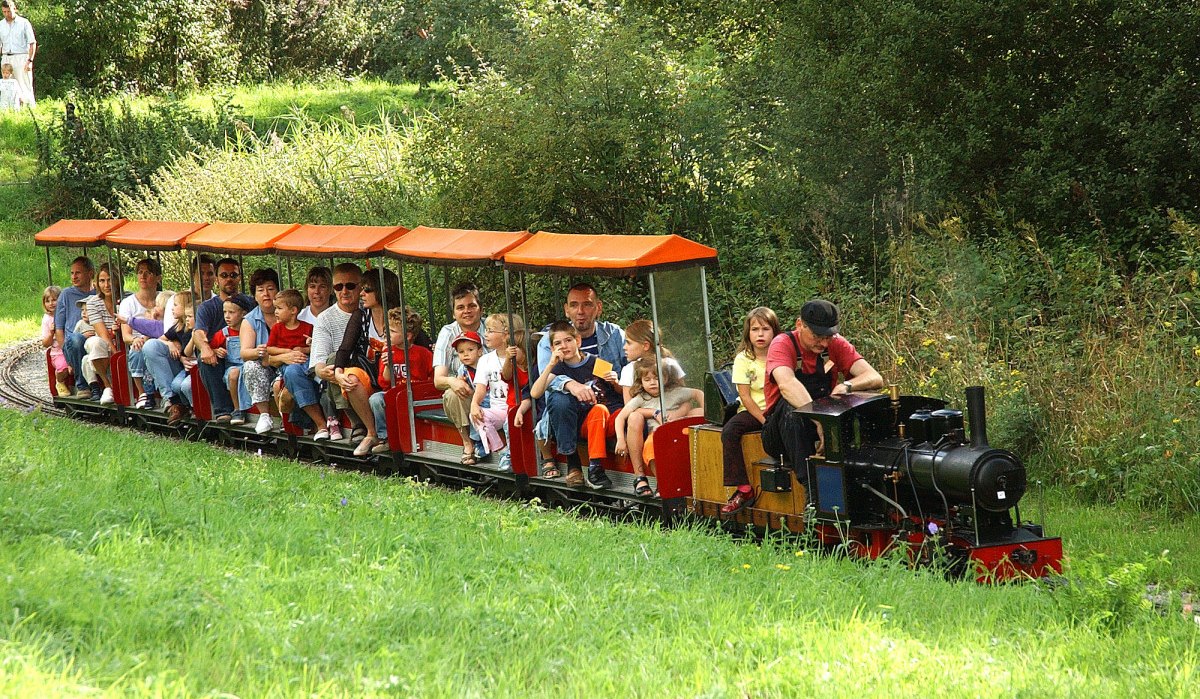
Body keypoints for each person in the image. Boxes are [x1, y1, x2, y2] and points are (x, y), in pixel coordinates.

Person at [746, 299, 884, 512]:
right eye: (817, 336)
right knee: (791, 410)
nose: (824, 343)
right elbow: (787, 384)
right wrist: (819, 419)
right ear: (800, 324)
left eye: (828, 337)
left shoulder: (835, 343)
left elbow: (875, 378)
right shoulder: (782, 343)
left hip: (825, 422)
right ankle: (813, 494)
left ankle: (869, 486)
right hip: (779, 431)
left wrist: (847, 386)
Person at [531, 321, 623, 489]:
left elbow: (619, 390)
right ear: (552, 349)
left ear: (578, 341)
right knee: (564, 400)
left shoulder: (595, 362)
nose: (564, 346)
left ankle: (597, 468)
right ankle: (588, 467)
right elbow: (535, 393)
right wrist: (551, 363)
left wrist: (616, 381)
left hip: (607, 418)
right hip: (581, 424)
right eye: (558, 343)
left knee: (603, 410)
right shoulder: (558, 368)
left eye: (568, 340)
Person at [286, 262, 362, 442]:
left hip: (365, 368)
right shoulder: (325, 319)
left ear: (361, 287)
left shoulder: (369, 311)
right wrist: (326, 371)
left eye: (350, 286)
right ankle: (351, 422)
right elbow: (318, 363)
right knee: (334, 363)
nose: (344, 291)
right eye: (339, 286)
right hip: (338, 374)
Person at [334, 268, 402, 455]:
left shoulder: (398, 316)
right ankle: (371, 432)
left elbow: (419, 341)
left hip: (395, 377)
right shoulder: (361, 316)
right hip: (370, 376)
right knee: (350, 377)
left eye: (367, 289)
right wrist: (338, 372)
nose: (361, 294)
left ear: (383, 290)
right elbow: (345, 348)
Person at [720, 307, 781, 514]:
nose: (760, 334)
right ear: (748, 333)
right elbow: (745, 396)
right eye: (755, 329)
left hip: (780, 408)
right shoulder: (743, 359)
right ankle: (743, 489)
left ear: (775, 331)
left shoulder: (782, 355)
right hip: (754, 410)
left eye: (765, 329)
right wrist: (765, 421)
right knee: (730, 431)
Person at [615, 357, 703, 496]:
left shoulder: (675, 392)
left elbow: (698, 393)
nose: (652, 383)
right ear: (641, 382)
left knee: (699, 412)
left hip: (678, 432)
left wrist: (687, 411)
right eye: (647, 379)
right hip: (657, 434)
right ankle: (662, 483)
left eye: (657, 378)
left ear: (666, 378)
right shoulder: (641, 399)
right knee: (652, 446)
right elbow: (621, 417)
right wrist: (621, 438)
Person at [144, 255, 215, 409]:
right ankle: (171, 399)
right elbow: (173, 334)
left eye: (210, 273)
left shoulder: (216, 302)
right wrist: (178, 350)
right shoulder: (179, 300)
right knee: (150, 346)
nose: (206, 278)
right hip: (180, 356)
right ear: (193, 275)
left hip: (202, 356)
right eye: (201, 273)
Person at [245, 288, 315, 435]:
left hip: (304, 363)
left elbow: (314, 347)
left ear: (293, 310)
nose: (275, 311)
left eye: (279, 308)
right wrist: (287, 352)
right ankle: (285, 420)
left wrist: (303, 349)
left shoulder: (307, 327)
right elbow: (270, 348)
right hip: (283, 367)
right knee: (278, 386)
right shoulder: (277, 328)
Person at [193, 258, 255, 421]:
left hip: (249, 351)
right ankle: (223, 410)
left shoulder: (250, 303)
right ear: (217, 279)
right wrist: (207, 348)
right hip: (221, 354)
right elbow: (198, 332)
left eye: (233, 275)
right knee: (205, 359)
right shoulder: (207, 307)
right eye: (224, 275)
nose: (229, 279)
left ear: (239, 278)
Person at [367, 306, 435, 453]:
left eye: (392, 331)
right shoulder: (387, 351)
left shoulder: (422, 354)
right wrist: (387, 365)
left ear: (408, 335)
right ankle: (385, 437)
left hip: (414, 393)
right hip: (393, 392)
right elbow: (383, 382)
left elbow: (432, 376)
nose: (387, 335)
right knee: (375, 399)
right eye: (387, 330)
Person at [432, 282, 486, 449]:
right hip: (467, 393)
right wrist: (453, 381)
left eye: (471, 306)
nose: (466, 311)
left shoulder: (491, 329)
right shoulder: (448, 333)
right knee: (452, 393)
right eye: (460, 307)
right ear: (454, 313)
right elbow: (438, 380)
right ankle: (468, 443)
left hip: (492, 391)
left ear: (480, 309)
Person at [470, 313, 526, 470]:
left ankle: (515, 453)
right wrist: (475, 404)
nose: (485, 334)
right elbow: (480, 388)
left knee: (511, 419)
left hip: (515, 405)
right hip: (497, 408)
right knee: (476, 415)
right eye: (486, 330)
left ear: (506, 335)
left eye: (490, 331)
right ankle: (502, 450)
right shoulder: (485, 360)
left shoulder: (519, 357)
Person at [230, 269, 279, 431]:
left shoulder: (288, 312)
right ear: (255, 295)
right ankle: (264, 415)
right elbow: (244, 353)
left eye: (270, 289)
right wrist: (260, 351)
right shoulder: (250, 320)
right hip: (264, 366)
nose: (266, 294)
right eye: (260, 290)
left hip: (286, 362)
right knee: (250, 366)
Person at [119, 258, 163, 409]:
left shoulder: (164, 299)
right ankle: (143, 393)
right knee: (138, 350)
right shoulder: (128, 303)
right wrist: (135, 340)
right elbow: (126, 336)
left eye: (148, 273)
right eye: (140, 272)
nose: (143, 276)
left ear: (158, 278)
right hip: (138, 342)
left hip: (161, 340)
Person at [54, 256, 95, 396]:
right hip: (73, 342)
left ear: (90, 273)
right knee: (77, 340)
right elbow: (58, 328)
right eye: (72, 273)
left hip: (94, 335)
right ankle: (82, 386)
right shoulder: (66, 294)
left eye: (78, 273)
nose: (74, 276)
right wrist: (66, 351)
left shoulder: (97, 293)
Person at [81, 263, 120, 403]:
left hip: (123, 341)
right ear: (97, 283)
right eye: (102, 281)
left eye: (110, 280)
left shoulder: (128, 298)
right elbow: (102, 333)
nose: (106, 285)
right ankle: (107, 386)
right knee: (95, 342)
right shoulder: (93, 303)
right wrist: (116, 355)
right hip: (105, 344)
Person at [211, 296, 252, 424]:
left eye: (231, 312)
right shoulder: (223, 334)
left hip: (248, 364)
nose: (227, 316)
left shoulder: (251, 330)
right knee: (234, 374)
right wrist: (216, 351)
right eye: (224, 312)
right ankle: (237, 409)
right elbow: (210, 348)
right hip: (232, 367)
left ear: (243, 314)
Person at [0, 0, 36, 108]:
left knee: (24, 84)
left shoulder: (24, 23)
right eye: (4, 12)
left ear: (14, 9)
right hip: (6, 57)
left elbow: (32, 42)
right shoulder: (1, 25)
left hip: (21, 57)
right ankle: (10, 110)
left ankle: (30, 109)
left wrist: (30, 61)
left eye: (9, 11)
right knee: (7, 86)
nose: (7, 14)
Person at [40, 285, 70, 395]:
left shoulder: (67, 314)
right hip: (58, 352)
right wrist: (52, 332)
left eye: (54, 300)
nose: (51, 303)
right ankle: (60, 382)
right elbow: (45, 343)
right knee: (63, 366)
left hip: (69, 347)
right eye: (47, 301)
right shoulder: (47, 319)